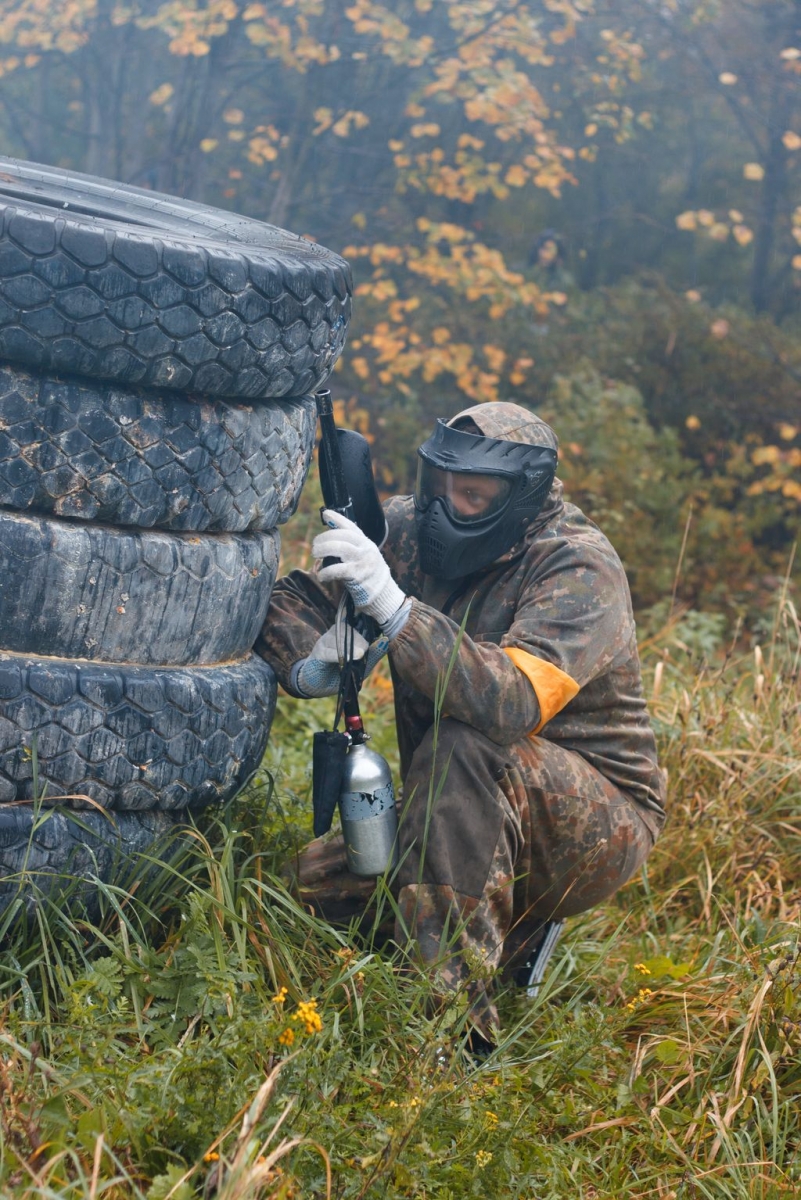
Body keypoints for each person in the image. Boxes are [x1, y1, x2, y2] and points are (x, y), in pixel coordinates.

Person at [256, 401, 666, 1046]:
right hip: (449, 807)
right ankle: (511, 931)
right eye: (439, 488)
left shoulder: (577, 567)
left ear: (520, 497)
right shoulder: (407, 531)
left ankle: (452, 1037)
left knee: (467, 746)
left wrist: (395, 612)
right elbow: (294, 599)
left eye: (471, 496)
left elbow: (512, 705)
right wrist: (314, 664)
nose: (446, 509)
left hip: (592, 822)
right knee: (299, 895)